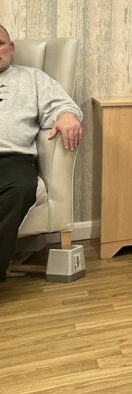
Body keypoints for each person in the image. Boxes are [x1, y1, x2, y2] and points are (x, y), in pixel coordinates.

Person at [0, 24, 83, 282]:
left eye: (0, 44)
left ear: (11, 48)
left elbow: (63, 105)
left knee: (21, 187)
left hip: (12, 159)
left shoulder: (32, 78)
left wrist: (67, 115)